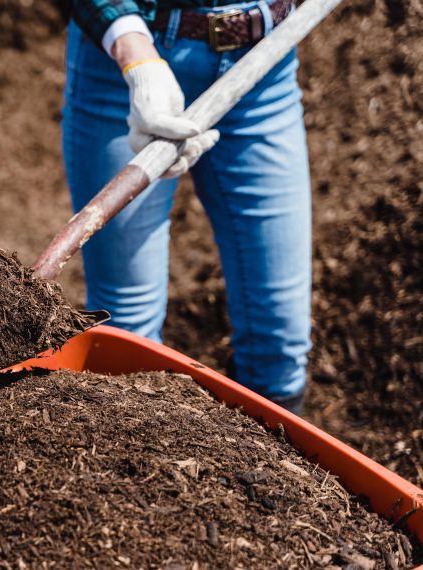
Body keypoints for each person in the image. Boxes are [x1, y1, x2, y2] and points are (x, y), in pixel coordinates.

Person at [63, 0, 309, 413]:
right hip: (128, 64)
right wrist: (135, 56)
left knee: (280, 340)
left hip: (265, 63)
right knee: (128, 334)